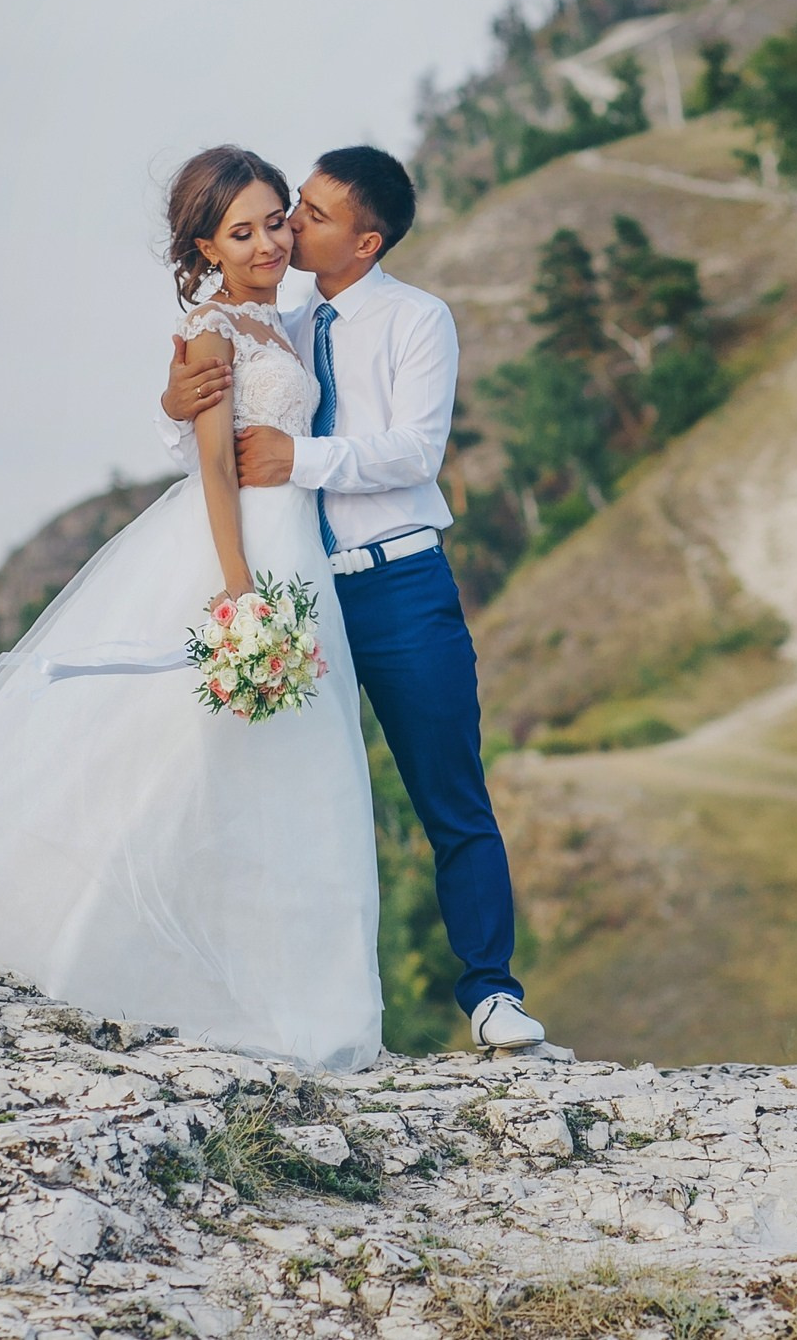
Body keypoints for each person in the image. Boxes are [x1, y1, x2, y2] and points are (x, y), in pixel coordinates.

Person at [0, 146, 382, 1072]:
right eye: (243, 230)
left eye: (276, 221)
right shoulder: (214, 329)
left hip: (298, 549)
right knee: (175, 763)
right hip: (244, 554)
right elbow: (212, 463)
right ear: (204, 244)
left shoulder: (287, 323)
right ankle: (102, 956)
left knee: (299, 768)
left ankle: (313, 1004)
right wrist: (238, 588)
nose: (268, 241)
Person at [156, 146, 545, 1054]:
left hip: (401, 584)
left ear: (365, 242)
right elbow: (218, 415)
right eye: (291, 208)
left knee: (451, 796)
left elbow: (416, 449)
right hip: (305, 593)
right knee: (303, 801)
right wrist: (172, 397)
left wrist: (306, 460)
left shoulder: (419, 319)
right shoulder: (279, 318)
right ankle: (284, 1005)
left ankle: (491, 993)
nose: (290, 226)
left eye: (312, 215)